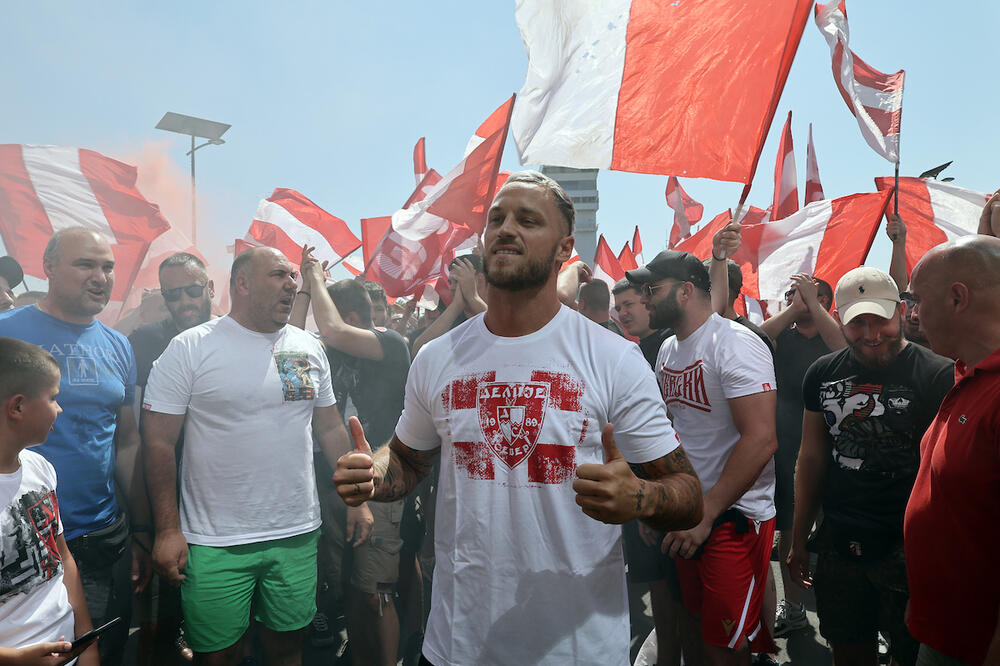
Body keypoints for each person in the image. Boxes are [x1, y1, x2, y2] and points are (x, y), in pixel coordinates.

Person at [334, 170, 703, 666]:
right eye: (497, 219)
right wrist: (373, 473)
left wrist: (640, 497)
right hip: (456, 645)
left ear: (563, 248)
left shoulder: (612, 358)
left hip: (577, 649)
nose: (506, 229)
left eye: (528, 220)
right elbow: (407, 461)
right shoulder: (437, 358)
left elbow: (688, 495)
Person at [141, 246, 353, 666]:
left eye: (293, 276)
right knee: (219, 654)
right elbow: (158, 443)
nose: (292, 284)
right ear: (242, 284)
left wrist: (356, 501)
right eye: (279, 275)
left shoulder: (305, 347)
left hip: (295, 531)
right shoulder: (191, 348)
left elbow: (328, 426)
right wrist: (167, 530)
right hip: (214, 540)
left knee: (287, 647)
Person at [788, 266, 953, 666]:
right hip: (840, 541)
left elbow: (946, 477)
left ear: (899, 311)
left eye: (879, 319)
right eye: (857, 322)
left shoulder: (937, 374)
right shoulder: (822, 374)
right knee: (847, 649)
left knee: (911, 654)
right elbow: (811, 458)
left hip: (909, 547)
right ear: (840, 319)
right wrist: (798, 539)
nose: (870, 334)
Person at [0, 227, 148, 666]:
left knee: (95, 653)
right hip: (18, 540)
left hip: (98, 535)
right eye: (85, 264)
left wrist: (139, 529)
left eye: (107, 267)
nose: (100, 276)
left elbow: (128, 442)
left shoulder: (119, 345)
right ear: (47, 268)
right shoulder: (7, 332)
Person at [629, 249, 779, 666]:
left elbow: (761, 439)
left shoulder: (734, 343)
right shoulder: (667, 351)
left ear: (686, 291)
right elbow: (674, 433)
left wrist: (709, 512)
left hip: (733, 516)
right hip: (689, 514)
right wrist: (657, 502)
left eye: (652, 290)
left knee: (723, 647)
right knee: (691, 627)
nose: (644, 299)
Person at [293, 247, 412, 666]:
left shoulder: (392, 344)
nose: (321, 329)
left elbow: (333, 328)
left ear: (355, 319)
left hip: (379, 484)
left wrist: (318, 284)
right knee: (350, 591)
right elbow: (286, 357)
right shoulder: (324, 352)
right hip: (333, 483)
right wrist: (306, 291)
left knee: (375, 590)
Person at [904, 235, 1000, 665]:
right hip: (944, 629)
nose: (912, 314)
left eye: (918, 300)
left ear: (957, 298)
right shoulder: (966, 372)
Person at [129, 252, 214, 665]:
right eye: (173, 294)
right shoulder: (145, 341)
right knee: (163, 608)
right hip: (168, 485)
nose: (184, 302)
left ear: (210, 289)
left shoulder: (235, 335)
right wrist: (147, 524)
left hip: (227, 495)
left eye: (193, 291)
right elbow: (135, 435)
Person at [754, 273, 844, 637]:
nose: (796, 297)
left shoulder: (832, 332)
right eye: (791, 292)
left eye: (805, 292)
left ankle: (852, 618)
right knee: (791, 532)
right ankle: (792, 610)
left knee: (836, 533)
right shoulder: (784, 337)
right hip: (791, 447)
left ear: (824, 298)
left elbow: (843, 350)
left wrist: (815, 304)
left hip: (836, 448)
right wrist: (795, 306)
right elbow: (757, 336)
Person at [0, 337, 98, 666]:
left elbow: (62, 558)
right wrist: (14, 659)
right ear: (17, 407)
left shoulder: (40, 468)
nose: (60, 408)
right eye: (53, 397)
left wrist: (87, 640)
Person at [611, 277, 683, 666]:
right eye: (618, 307)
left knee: (679, 592)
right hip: (642, 488)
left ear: (650, 304)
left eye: (630, 304)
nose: (623, 313)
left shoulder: (673, 349)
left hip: (670, 490)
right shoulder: (632, 351)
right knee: (660, 587)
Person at [410, 255, 486, 355]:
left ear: (479, 280)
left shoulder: (503, 310)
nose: (452, 287)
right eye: (450, 282)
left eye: (457, 281)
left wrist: (473, 298)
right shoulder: (450, 319)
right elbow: (418, 351)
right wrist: (456, 306)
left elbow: (506, 333)